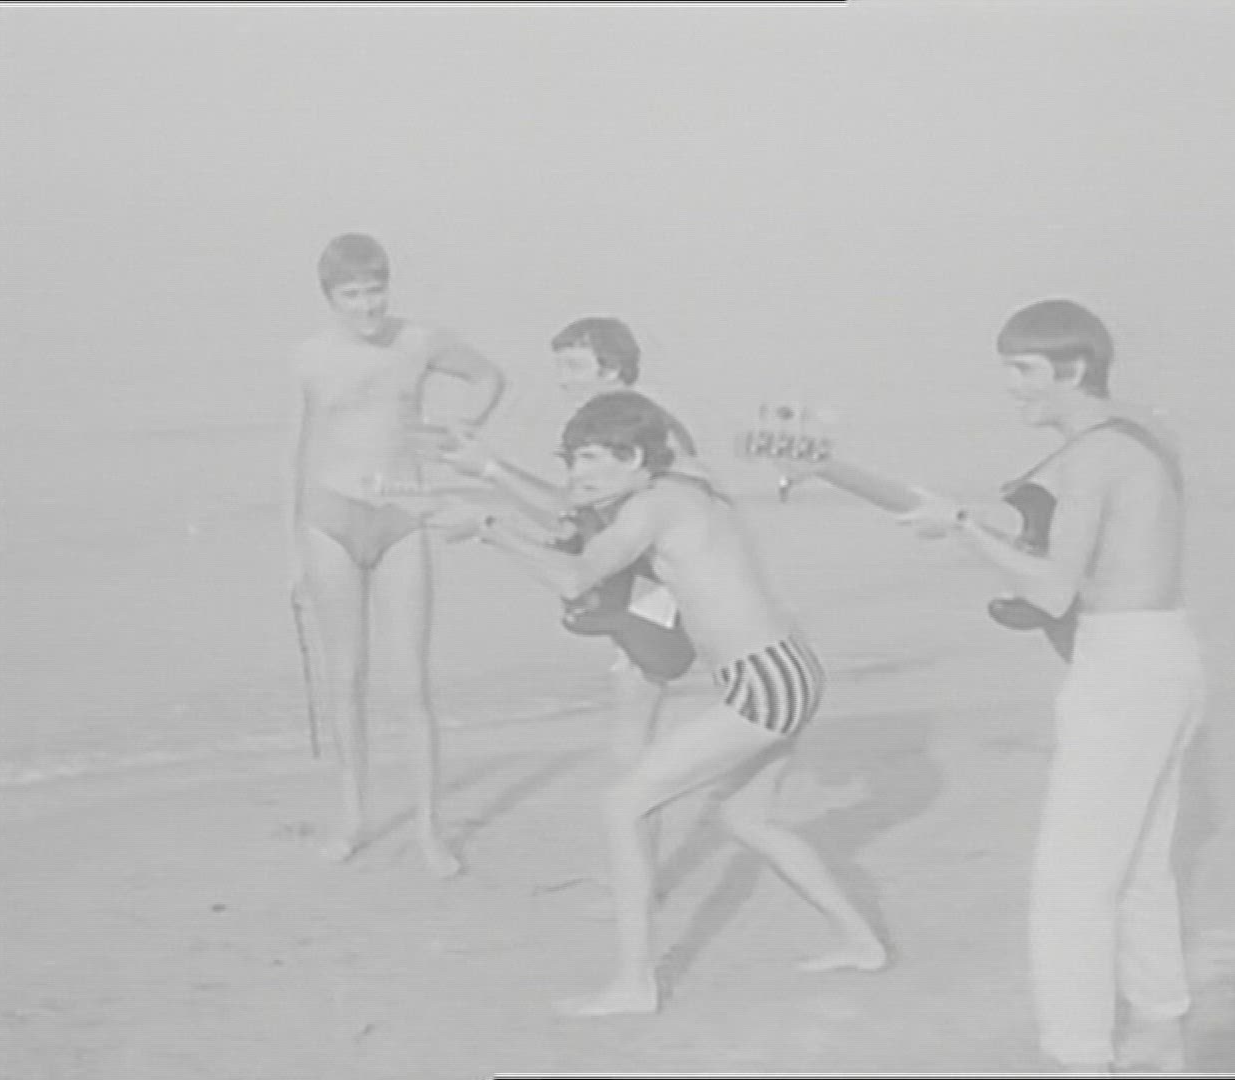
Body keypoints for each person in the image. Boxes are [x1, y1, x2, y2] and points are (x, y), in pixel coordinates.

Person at [460, 391, 886, 1017]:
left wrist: (489, 530)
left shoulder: (654, 506)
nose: (577, 475)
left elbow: (575, 577)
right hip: (786, 668)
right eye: (572, 460)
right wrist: (490, 473)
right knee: (747, 819)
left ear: (634, 458)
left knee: (623, 806)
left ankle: (635, 985)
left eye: (590, 459)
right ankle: (860, 942)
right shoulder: (680, 482)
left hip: (763, 682)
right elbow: (576, 514)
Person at [893, 299, 1204, 1074]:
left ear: (1074, 367)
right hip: (1170, 649)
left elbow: (1053, 590)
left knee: (1072, 880)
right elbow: (1093, 541)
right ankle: (1160, 1029)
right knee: (1141, 864)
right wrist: (976, 519)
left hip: (1121, 666)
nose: (1011, 386)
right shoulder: (1140, 433)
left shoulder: (1090, 457)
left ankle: (1079, 1054)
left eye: (1024, 368)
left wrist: (962, 530)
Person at [439, 317, 709, 903]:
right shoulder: (638, 418)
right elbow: (580, 516)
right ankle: (638, 872)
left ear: (611, 370)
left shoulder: (637, 428)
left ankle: (638, 879)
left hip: (661, 599)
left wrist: (489, 479)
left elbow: (576, 516)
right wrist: (488, 470)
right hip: (657, 594)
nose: (561, 380)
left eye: (573, 367)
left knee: (633, 746)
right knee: (633, 741)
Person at [284, 233, 506, 871]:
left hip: (404, 515)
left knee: (411, 684)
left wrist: (461, 430)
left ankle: (431, 830)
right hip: (328, 518)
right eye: (351, 294)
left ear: (388, 286)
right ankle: (353, 818)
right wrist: (293, 552)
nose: (366, 305)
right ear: (330, 297)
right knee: (346, 679)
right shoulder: (309, 356)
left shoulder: (420, 342)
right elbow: (298, 450)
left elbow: (489, 377)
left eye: (374, 290)